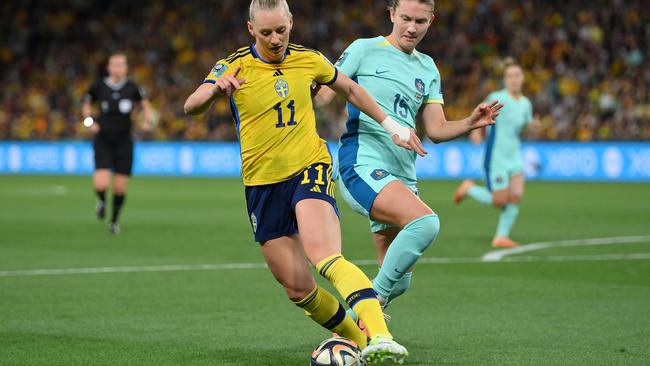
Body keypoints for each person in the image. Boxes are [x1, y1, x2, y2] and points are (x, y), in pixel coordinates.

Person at [183, 0, 426, 362]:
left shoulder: (308, 59)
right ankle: (355, 338)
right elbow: (192, 105)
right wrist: (216, 90)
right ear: (251, 30)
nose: (275, 38)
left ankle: (381, 334)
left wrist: (392, 127)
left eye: (281, 29)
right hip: (262, 185)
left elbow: (353, 90)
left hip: (309, 167)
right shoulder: (232, 64)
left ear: (291, 22)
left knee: (324, 254)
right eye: (265, 32)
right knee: (297, 288)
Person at [313, 0, 502, 313]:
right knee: (425, 223)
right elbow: (322, 97)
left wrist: (470, 123)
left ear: (431, 21)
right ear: (391, 14)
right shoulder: (363, 49)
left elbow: (436, 129)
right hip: (361, 164)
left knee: (399, 279)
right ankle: (360, 315)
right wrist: (303, 82)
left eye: (420, 21)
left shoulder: (427, 67)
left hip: (402, 175)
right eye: (405, 19)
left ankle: (362, 324)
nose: (412, 28)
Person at [454, 60, 537, 248]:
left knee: (516, 196)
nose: (514, 79)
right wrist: (476, 131)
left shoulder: (526, 104)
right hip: (496, 158)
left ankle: (501, 237)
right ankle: (468, 189)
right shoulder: (498, 98)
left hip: (514, 157)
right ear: (505, 80)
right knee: (500, 200)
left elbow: (526, 126)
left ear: (522, 78)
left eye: (517, 75)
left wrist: (533, 127)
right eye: (510, 76)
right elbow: (480, 114)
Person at [82, 52, 153, 234]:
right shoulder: (98, 86)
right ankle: (102, 201)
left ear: (126, 68)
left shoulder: (132, 88)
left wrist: (147, 121)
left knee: (120, 187)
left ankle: (114, 221)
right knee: (101, 185)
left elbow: (146, 106)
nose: (118, 68)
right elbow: (86, 106)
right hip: (103, 140)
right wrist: (90, 122)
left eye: (122, 64)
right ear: (109, 67)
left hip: (124, 141)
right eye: (115, 64)